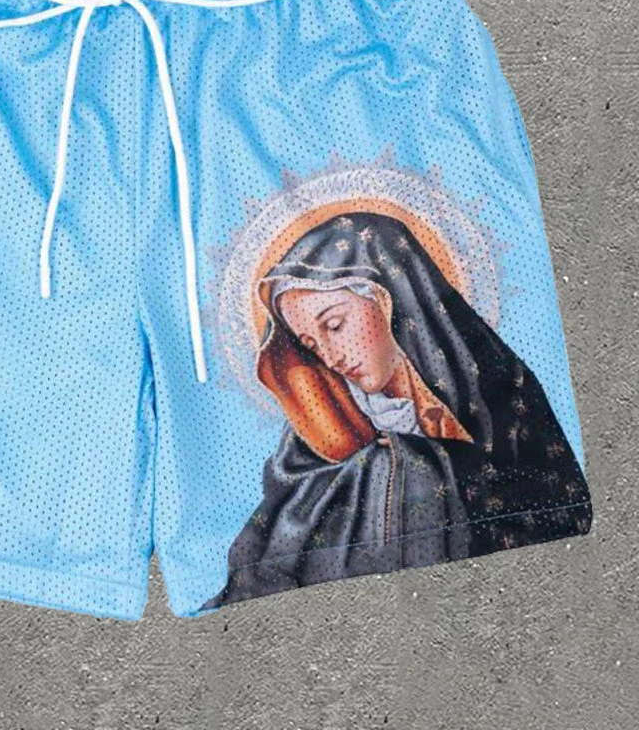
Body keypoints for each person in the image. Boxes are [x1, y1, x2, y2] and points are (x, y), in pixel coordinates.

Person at [202, 210, 592, 610]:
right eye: (312, 345)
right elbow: (268, 553)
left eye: (334, 325)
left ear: (389, 297)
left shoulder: (498, 392)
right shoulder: (316, 438)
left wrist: (418, 463)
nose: (331, 357)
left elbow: (551, 510)